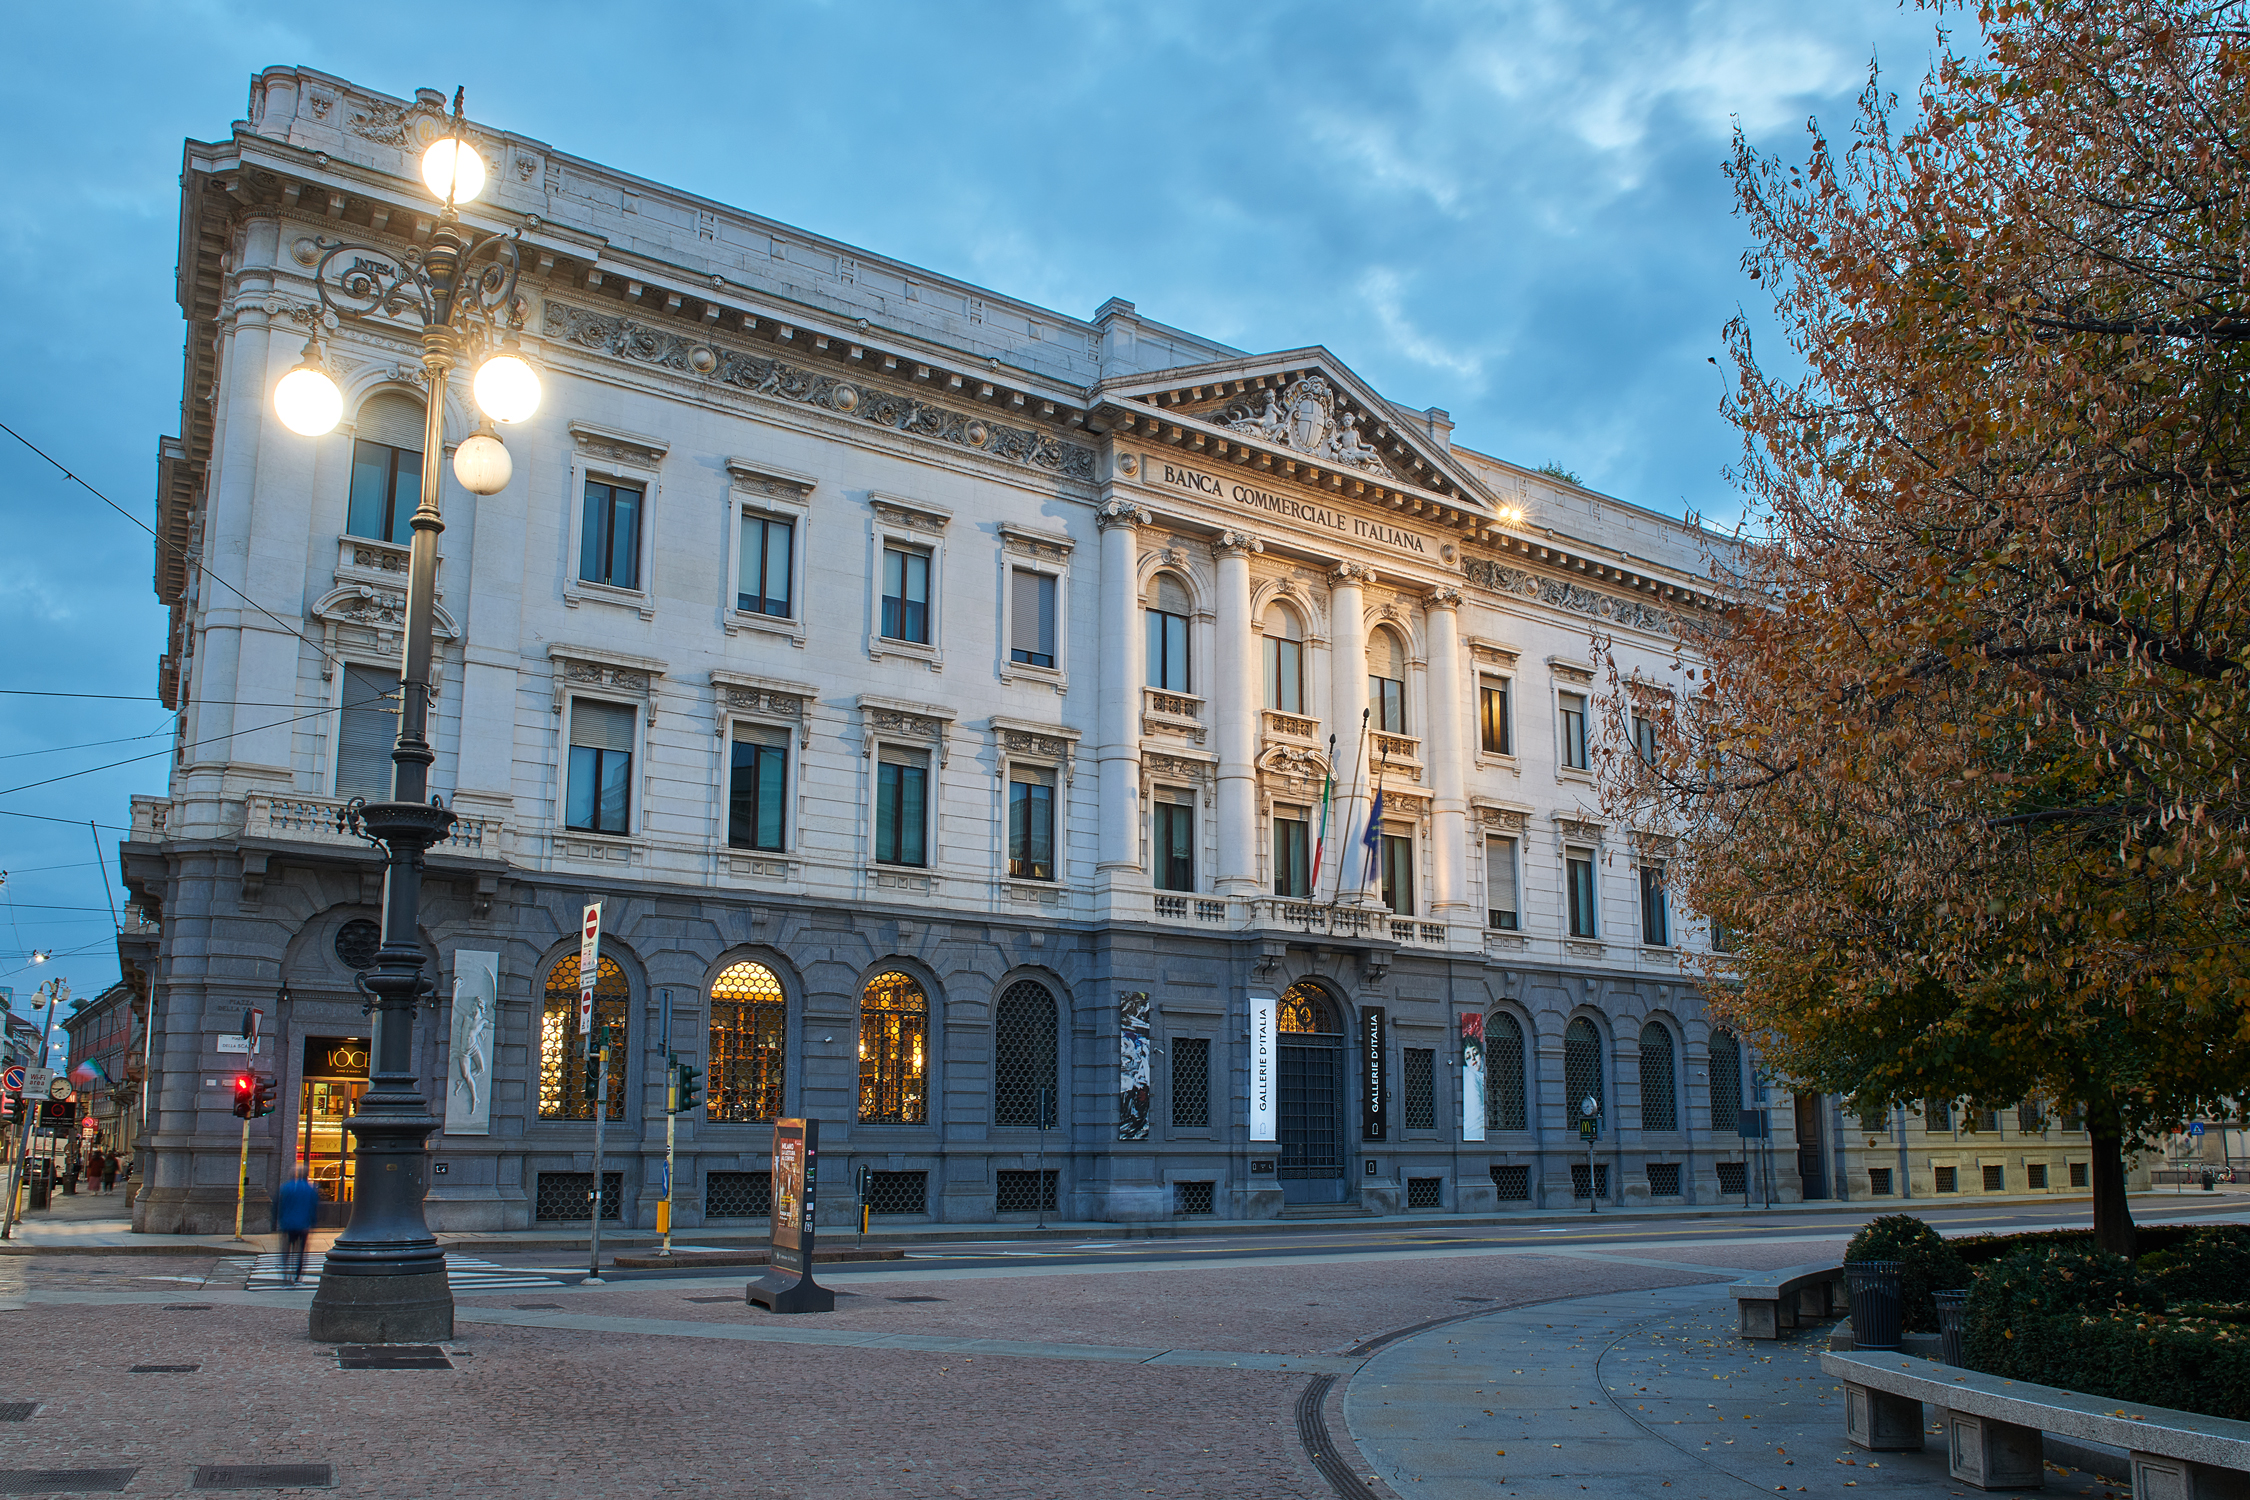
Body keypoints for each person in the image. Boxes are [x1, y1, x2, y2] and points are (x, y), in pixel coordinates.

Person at [276, 1168, 320, 1283]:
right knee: (301, 1250)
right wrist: (313, 1222)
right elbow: (314, 1206)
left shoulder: (286, 1187)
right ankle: (297, 1274)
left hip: (288, 1223)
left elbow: (279, 1205)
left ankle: (286, 1272)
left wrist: (279, 1220)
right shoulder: (310, 1188)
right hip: (304, 1225)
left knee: (287, 1248)